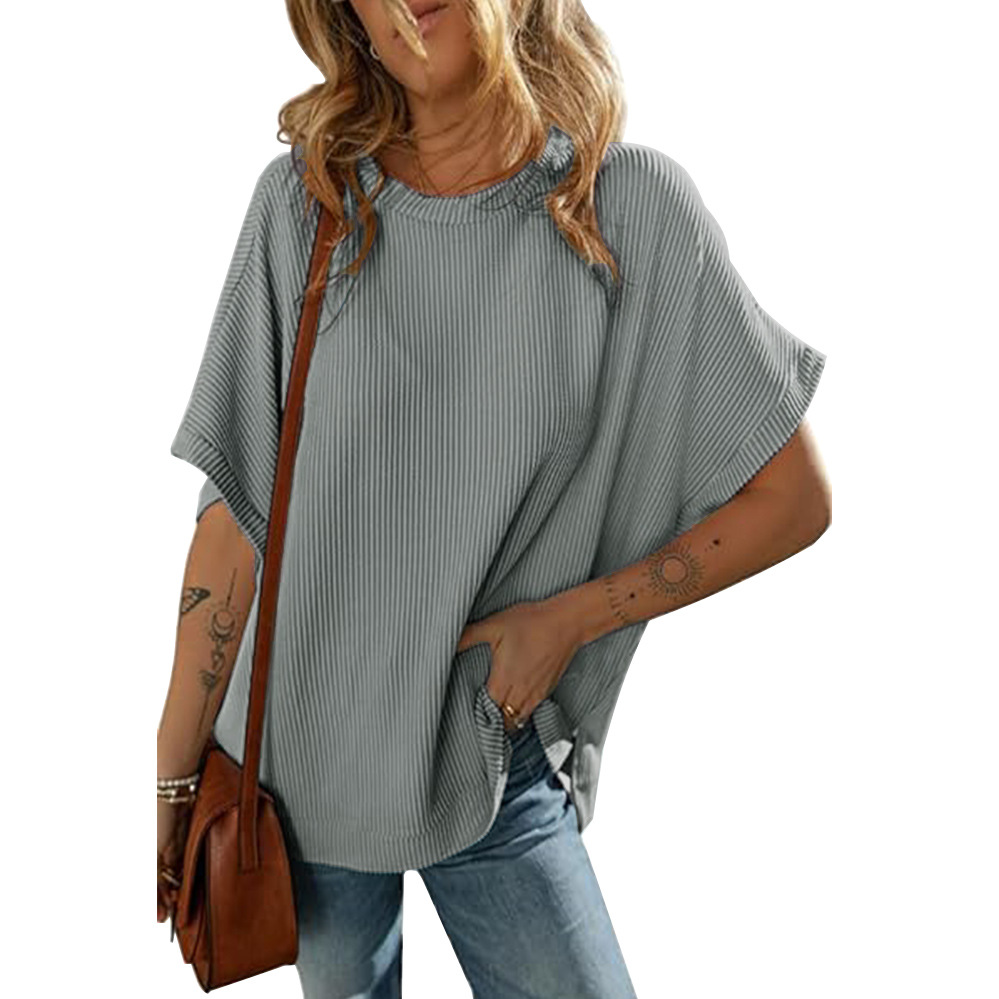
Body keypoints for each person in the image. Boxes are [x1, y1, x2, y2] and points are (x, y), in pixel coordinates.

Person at [157, 1, 831, 996]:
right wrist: (174, 771)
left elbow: (792, 498)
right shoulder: (307, 205)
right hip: (300, 766)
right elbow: (234, 523)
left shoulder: (626, 211)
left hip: (484, 748)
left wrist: (568, 621)